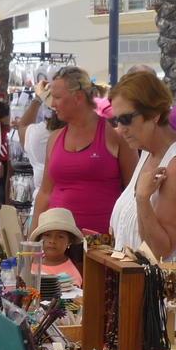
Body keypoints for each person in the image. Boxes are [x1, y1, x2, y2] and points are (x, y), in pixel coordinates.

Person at [107, 71, 176, 262]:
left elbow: (160, 250)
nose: (120, 129)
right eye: (116, 120)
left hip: (164, 289)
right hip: (135, 284)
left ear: (154, 114)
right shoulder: (148, 151)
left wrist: (143, 199)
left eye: (126, 119)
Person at [30, 66, 137, 235]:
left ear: (78, 97)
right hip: (57, 244)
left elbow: (133, 191)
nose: (52, 103)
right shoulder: (54, 138)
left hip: (101, 244)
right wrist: (32, 237)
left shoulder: (114, 135)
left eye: (57, 97)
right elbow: (45, 192)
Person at [30, 207, 84, 283]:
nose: (52, 241)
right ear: (40, 238)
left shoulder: (70, 276)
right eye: (47, 235)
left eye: (60, 236)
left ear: (70, 241)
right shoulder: (33, 260)